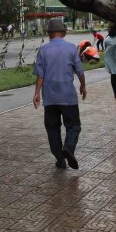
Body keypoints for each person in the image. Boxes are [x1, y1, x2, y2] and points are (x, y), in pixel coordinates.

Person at [33, 17, 85, 170]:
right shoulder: (71, 48)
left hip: (50, 97)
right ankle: (68, 147)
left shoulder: (43, 50)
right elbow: (80, 71)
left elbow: (40, 75)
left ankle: (60, 159)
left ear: (50, 34)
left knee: (52, 128)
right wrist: (83, 86)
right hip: (68, 97)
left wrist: (37, 93)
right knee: (74, 125)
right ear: (63, 32)